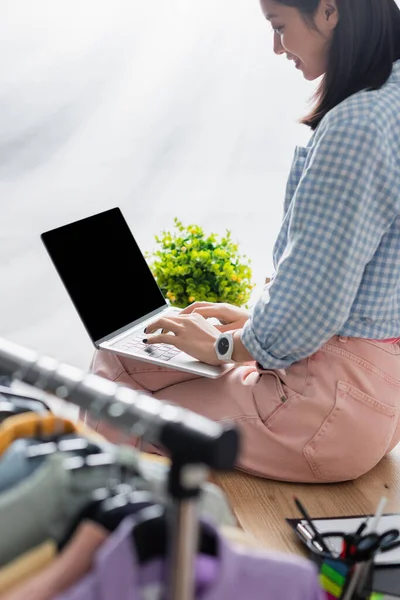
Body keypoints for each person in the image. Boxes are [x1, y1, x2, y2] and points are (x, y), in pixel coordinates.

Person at [90, 0, 400, 482]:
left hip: (322, 411)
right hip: (372, 396)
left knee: (112, 389)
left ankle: (122, 535)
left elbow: (312, 306)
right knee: (127, 354)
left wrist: (224, 347)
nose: (277, 47)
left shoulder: (357, 124)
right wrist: (254, 322)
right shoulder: (390, 98)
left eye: (279, 27)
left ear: (329, 10)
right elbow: (355, 281)